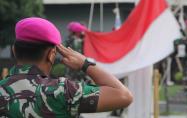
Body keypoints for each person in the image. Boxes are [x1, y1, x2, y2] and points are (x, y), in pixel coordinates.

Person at [0, 17, 133, 117]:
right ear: (52, 54)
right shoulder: (63, 91)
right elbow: (124, 96)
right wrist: (84, 63)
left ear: (14, 50)